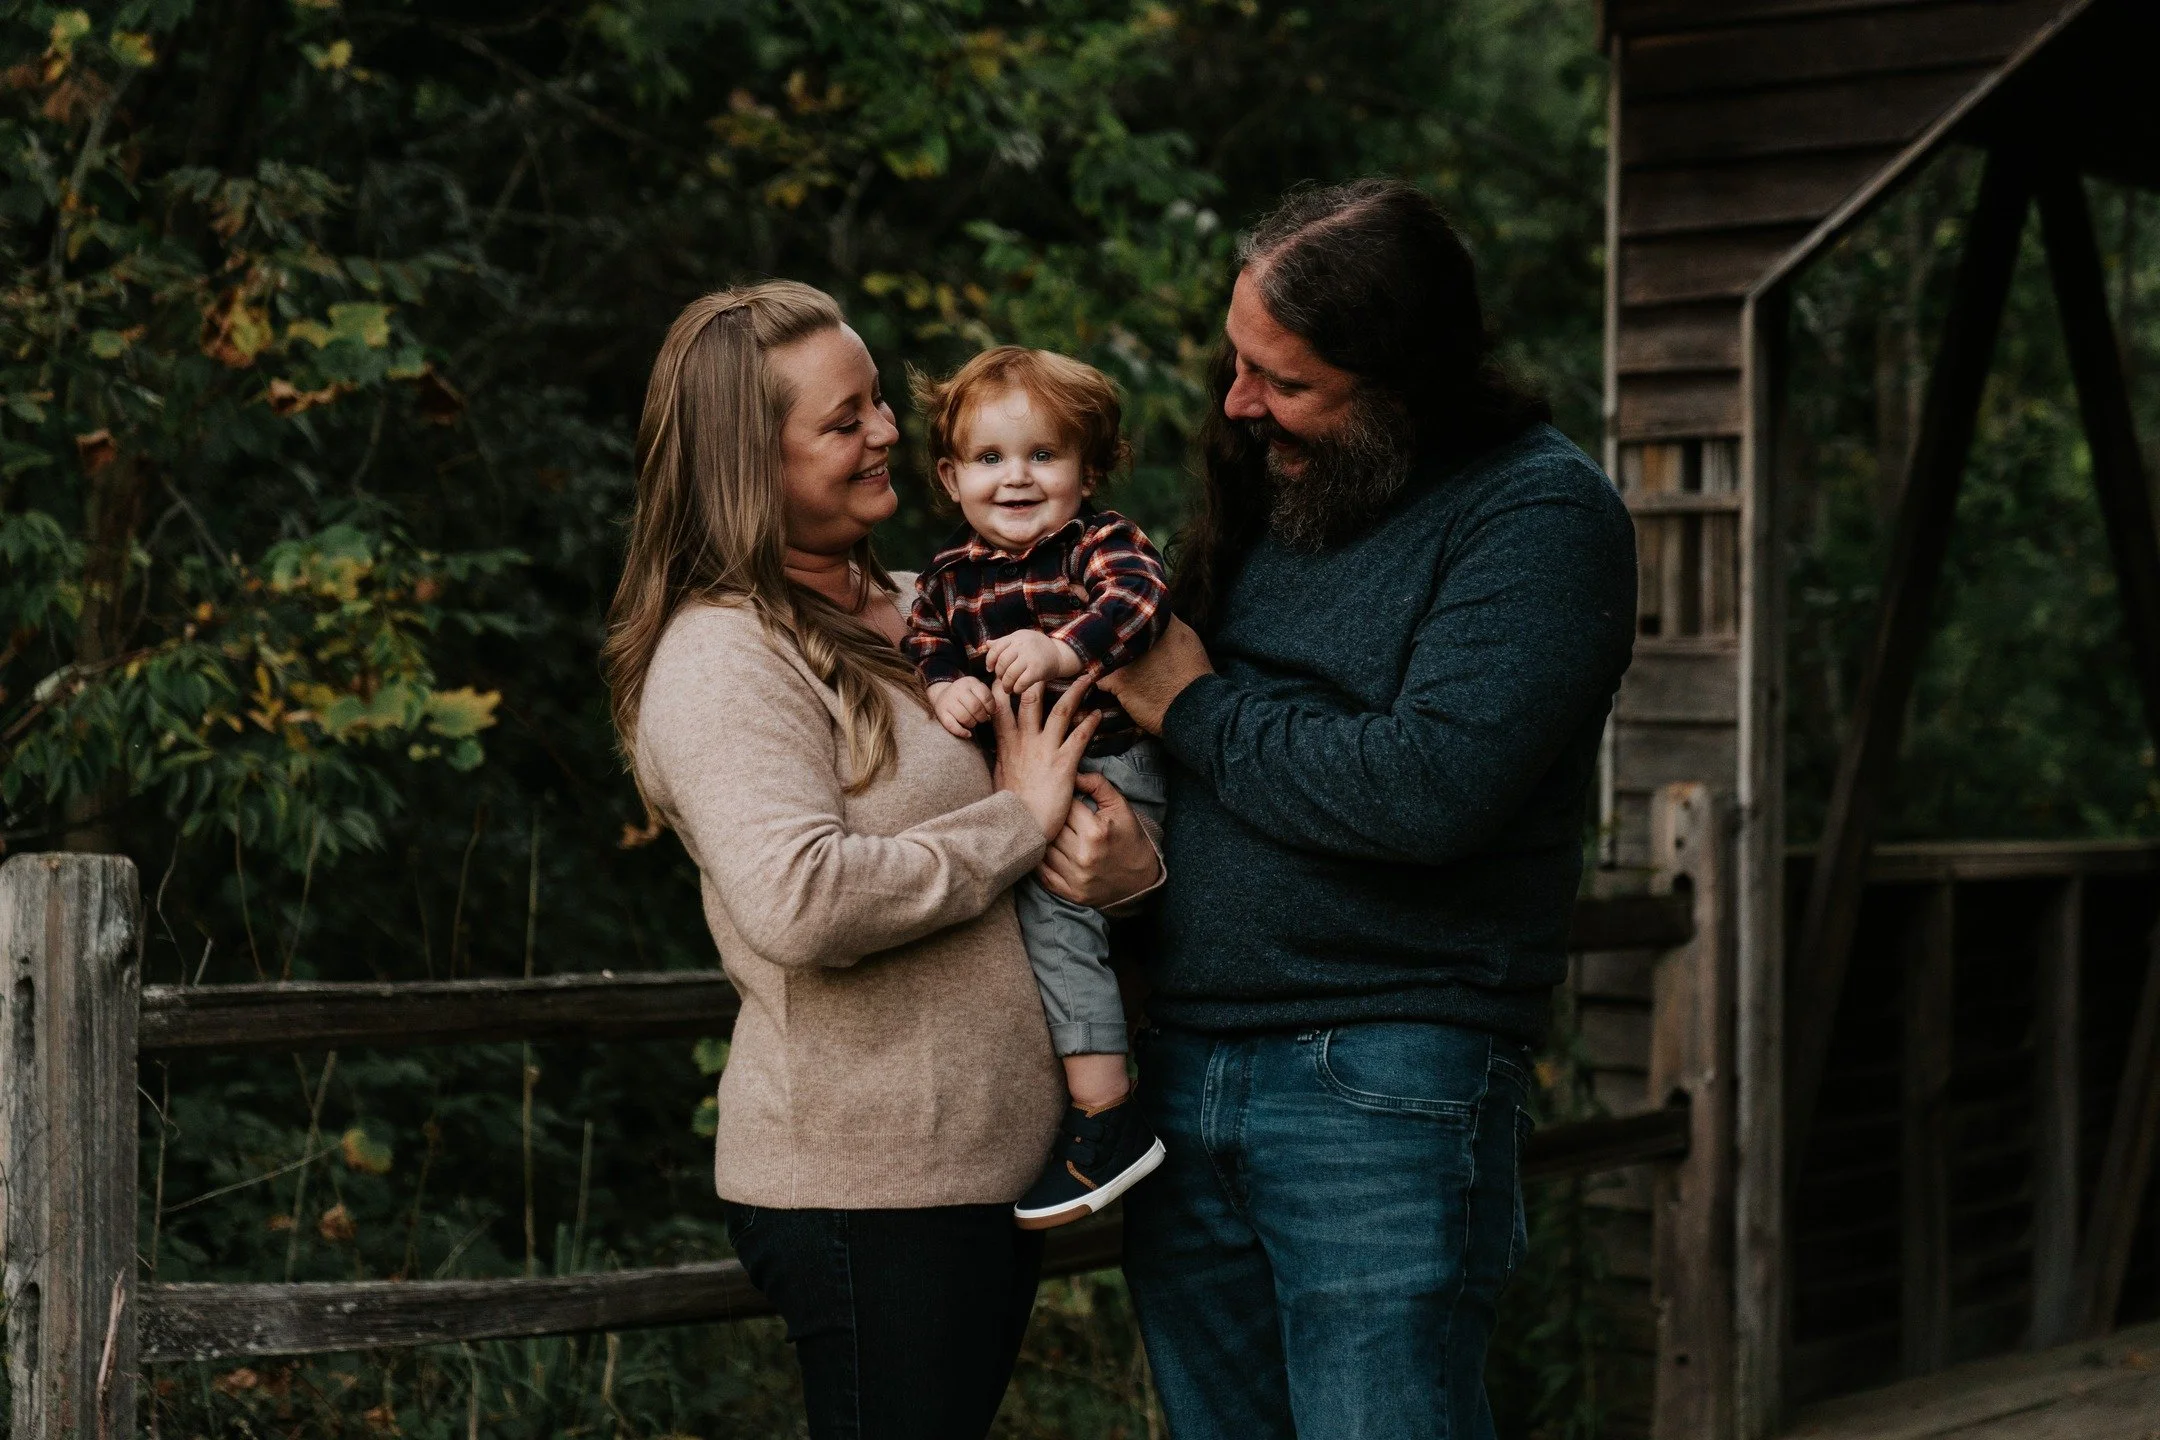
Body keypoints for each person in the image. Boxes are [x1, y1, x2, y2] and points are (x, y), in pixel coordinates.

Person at [1100, 179, 1638, 1439]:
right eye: (1237, 362)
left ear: (1404, 381)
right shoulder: (1278, 475)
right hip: (1181, 1070)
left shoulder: (1538, 517)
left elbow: (1426, 788)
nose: (1238, 403)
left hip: (1379, 1083)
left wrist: (1195, 708)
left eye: (1282, 381)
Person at [601, 281, 1163, 1440]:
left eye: (878, 405)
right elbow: (799, 902)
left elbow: (1086, 808)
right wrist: (1013, 820)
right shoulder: (723, 657)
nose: (892, 431)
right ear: (751, 463)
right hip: (871, 1188)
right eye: (845, 418)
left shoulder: (930, 606)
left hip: (989, 1169)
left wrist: (1132, 869)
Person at [905, 346, 1171, 1231]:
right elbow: (926, 640)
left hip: (1111, 769)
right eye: (989, 459)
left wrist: (1066, 651)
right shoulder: (947, 577)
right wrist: (947, 684)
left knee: (1058, 922)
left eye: (1043, 456)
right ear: (950, 476)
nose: (1015, 478)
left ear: (1088, 470)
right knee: (1031, 932)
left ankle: (1107, 1115)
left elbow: (1140, 599)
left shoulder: (1098, 543)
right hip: (1027, 778)